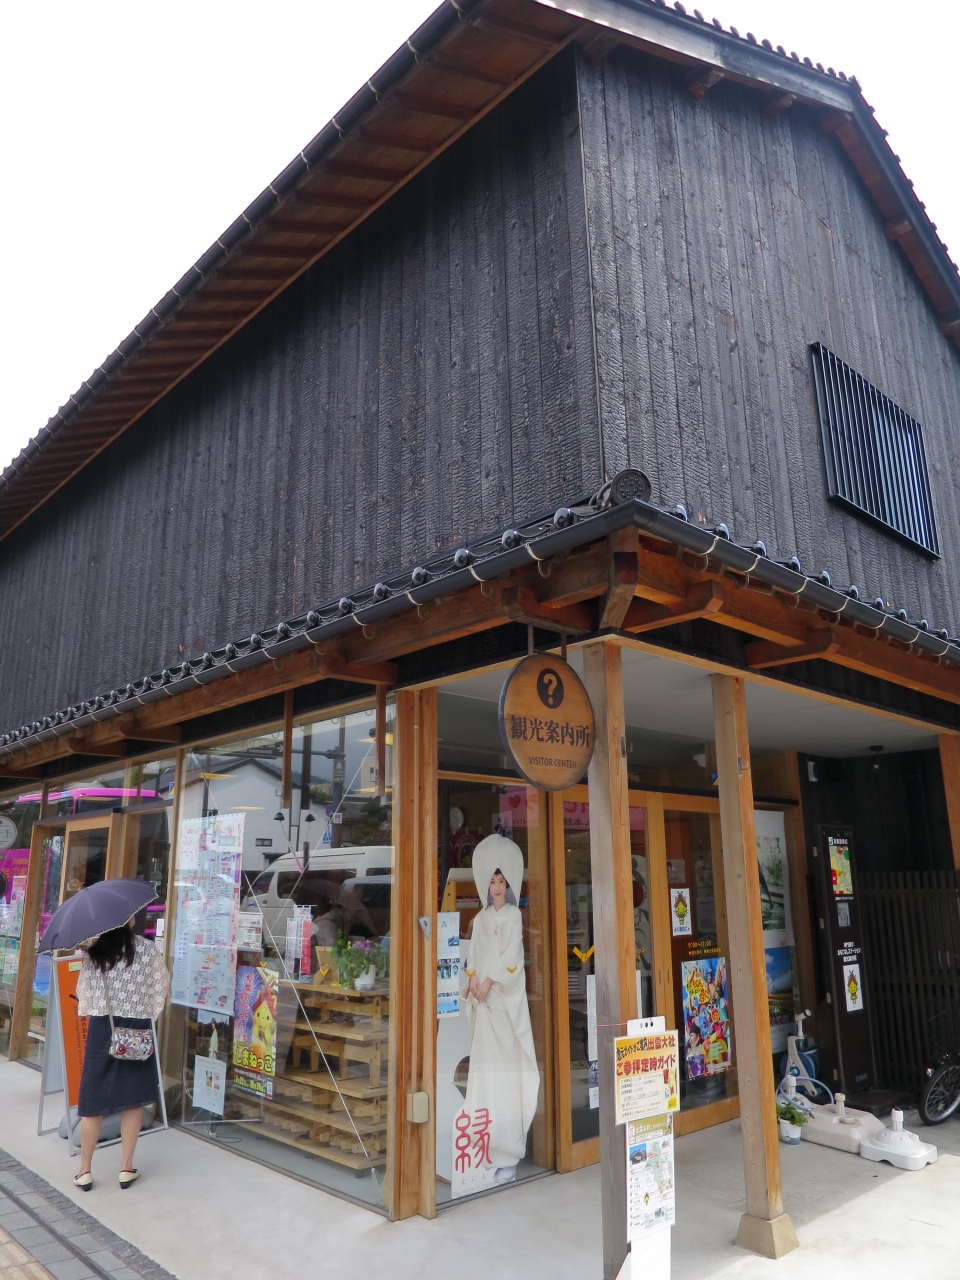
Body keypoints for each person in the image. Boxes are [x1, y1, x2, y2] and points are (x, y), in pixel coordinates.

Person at [461, 834, 540, 1186]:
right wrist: (475, 981)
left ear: (508, 885)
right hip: (484, 1007)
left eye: (501, 881)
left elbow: (513, 958)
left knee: (506, 1078)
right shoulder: (480, 919)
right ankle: (484, 1150)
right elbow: (472, 956)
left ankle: (508, 1153)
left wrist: (491, 980)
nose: (496, 887)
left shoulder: (513, 916)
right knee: (484, 1078)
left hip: (504, 1010)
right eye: (492, 881)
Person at [74, 920, 169, 1191]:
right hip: (137, 1029)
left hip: (103, 1028)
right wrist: (148, 1013)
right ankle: (126, 1168)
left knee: (92, 1103)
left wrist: (93, 1008)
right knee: (132, 1100)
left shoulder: (94, 955)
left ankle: (84, 1171)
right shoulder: (148, 950)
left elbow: (84, 996)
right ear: (130, 920)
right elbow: (161, 986)